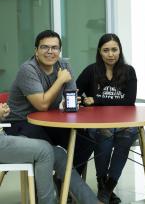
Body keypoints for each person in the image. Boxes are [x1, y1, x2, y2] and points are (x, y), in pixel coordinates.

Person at [2, 29, 99, 203]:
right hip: (21, 123)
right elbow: (42, 104)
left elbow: (70, 95)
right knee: (51, 151)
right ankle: (55, 188)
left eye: (54, 48)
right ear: (36, 51)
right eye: (44, 47)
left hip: (49, 122)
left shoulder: (64, 65)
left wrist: (71, 102)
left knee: (85, 140)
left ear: (59, 51)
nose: (50, 51)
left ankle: (63, 183)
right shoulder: (28, 69)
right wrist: (60, 80)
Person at [76, 33, 138, 204]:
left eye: (114, 50)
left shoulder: (128, 71)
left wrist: (96, 100)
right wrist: (80, 103)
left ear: (120, 51)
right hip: (98, 124)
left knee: (125, 136)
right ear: (100, 52)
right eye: (106, 50)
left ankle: (109, 186)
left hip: (125, 123)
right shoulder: (91, 71)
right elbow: (74, 91)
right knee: (105, 134)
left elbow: (129, 100)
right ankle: (102, 182)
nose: (111, 54)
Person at [0, 102, 102, 204]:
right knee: (45, 150)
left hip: (4, 136)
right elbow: (42, 104)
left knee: (59, 154)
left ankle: (92, 201)